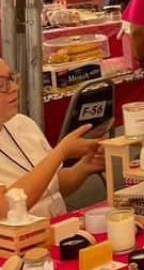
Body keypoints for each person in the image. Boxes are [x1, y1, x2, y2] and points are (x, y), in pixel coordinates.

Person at [0, 58, 104, 218]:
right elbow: (5, 208)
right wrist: (60, 152)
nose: (15, 87)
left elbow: (51, 188)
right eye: (2, 85)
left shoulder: (23, 123)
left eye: (12, 79)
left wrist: (84, 168)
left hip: (58, 229)